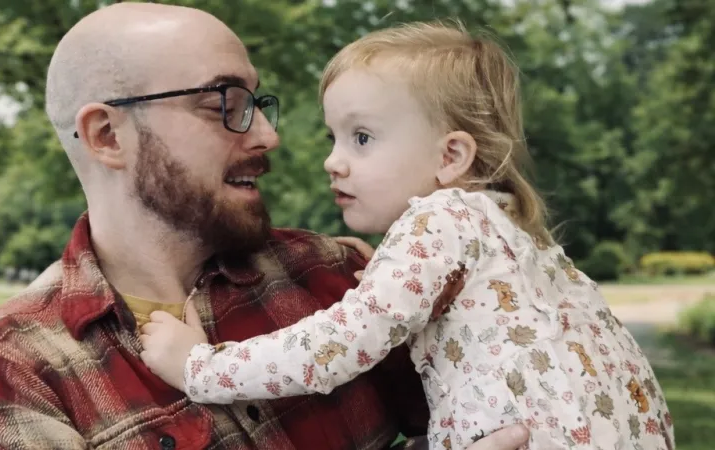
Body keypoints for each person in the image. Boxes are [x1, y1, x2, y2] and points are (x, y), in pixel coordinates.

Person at [0, 4, 529, 450]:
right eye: (225, 103)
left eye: (257, 104)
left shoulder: (338, 276)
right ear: (107, 135)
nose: (267, 135)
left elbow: (492, 422)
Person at [138, 21, 676, 450]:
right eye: (335, 137)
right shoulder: (511, 231)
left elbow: (336, 346)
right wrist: (386, 269)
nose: (333, 161)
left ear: (451, 156)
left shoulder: (440, 219)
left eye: (362, 137)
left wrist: (200, 367)